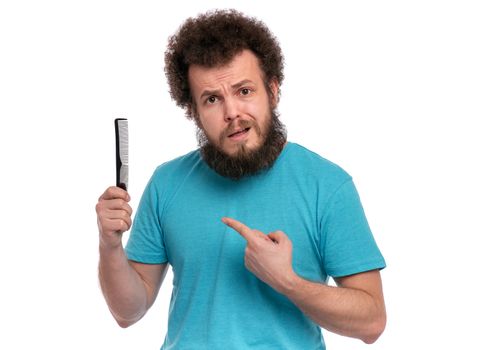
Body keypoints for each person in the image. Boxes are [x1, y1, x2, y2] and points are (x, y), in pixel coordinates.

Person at [96, 9, 387, 349]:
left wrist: (288, 281)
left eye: (244, 91)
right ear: (194, 111)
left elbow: (372, 322)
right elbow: (128, 312)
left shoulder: (327, 186)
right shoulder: (167, 183)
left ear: (273, 91)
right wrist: (110, 245)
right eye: (212, 99)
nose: (231, 112)